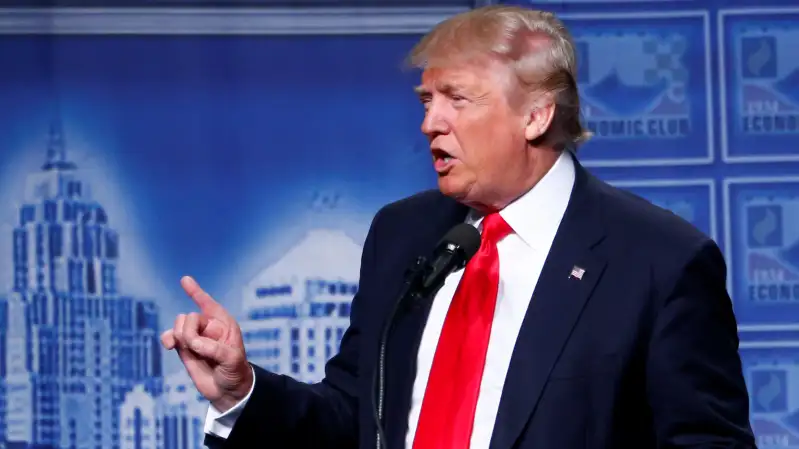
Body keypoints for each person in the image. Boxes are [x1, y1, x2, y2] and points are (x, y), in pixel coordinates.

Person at [161, 5, 756, 449]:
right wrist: (244, 391)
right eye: (425, 99)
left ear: (536, 114)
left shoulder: (658, 260)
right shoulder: (402, 234)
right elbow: (354, 415)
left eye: (456, 99)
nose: (429, 123)